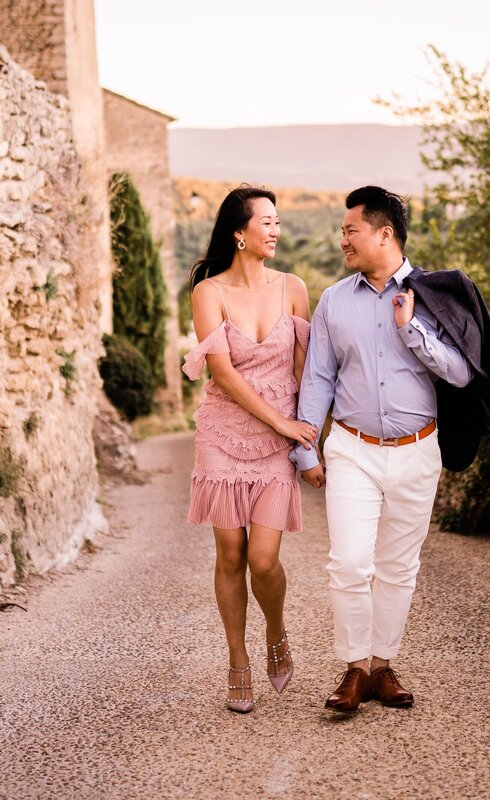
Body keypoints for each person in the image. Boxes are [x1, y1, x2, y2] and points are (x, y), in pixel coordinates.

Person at [293, 185, 490, 714]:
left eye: (351, 230)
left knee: (398, 567)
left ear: (385, 233)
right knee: (349, 562)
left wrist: (412, 329)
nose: (343, 239)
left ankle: (382, 667)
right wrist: (306, 449)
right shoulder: (333, 301)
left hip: (419, 450)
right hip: (352, 447)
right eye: (343, 231)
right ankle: (354, 669)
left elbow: (466, 372)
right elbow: (319, 379)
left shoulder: (439, 295)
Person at [182, 186, 317, 714]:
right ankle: (237, 660)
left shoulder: (294, 288)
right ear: (240, 233)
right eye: (268, 222)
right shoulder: (208, 292)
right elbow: (223, 372)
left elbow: (306, 369)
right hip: (222, 434)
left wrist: (308, 438)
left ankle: (276, 630)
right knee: (230, 554)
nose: (277, 230)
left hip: (276, 442)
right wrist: (281, 419)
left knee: (264, 559)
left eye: (279, 222)